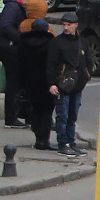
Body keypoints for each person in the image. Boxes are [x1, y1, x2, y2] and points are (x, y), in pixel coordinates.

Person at [47, 11, 91, 156]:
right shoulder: (57, 42)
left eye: (69, 25)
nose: (66, 28)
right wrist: (52, 84)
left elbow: (88, 61)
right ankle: (63, 143)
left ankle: (71, 143)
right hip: (62, 85)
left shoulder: (82, 42)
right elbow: (51, 65)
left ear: (76, 25)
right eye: (64, 25)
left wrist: (86, 76)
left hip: (77, 85)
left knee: (72, 116)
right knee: (63, 116)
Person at [17, 17, 57, 150]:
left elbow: (19, 63)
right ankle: (43, 140)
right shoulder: (51, 43)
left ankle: (37, 135)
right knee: (47, 112)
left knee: (35, 109)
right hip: (46, 82)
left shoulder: (23, 42)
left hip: (29, 82)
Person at [0, 0, 28, 127]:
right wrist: (21, 39)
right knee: (13, 83)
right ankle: (11, 117)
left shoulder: (14, 6)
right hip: (10, 49)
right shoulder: (13, 7)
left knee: (15, 82)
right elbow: (5, 26)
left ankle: (15, 115)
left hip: (9, 48)